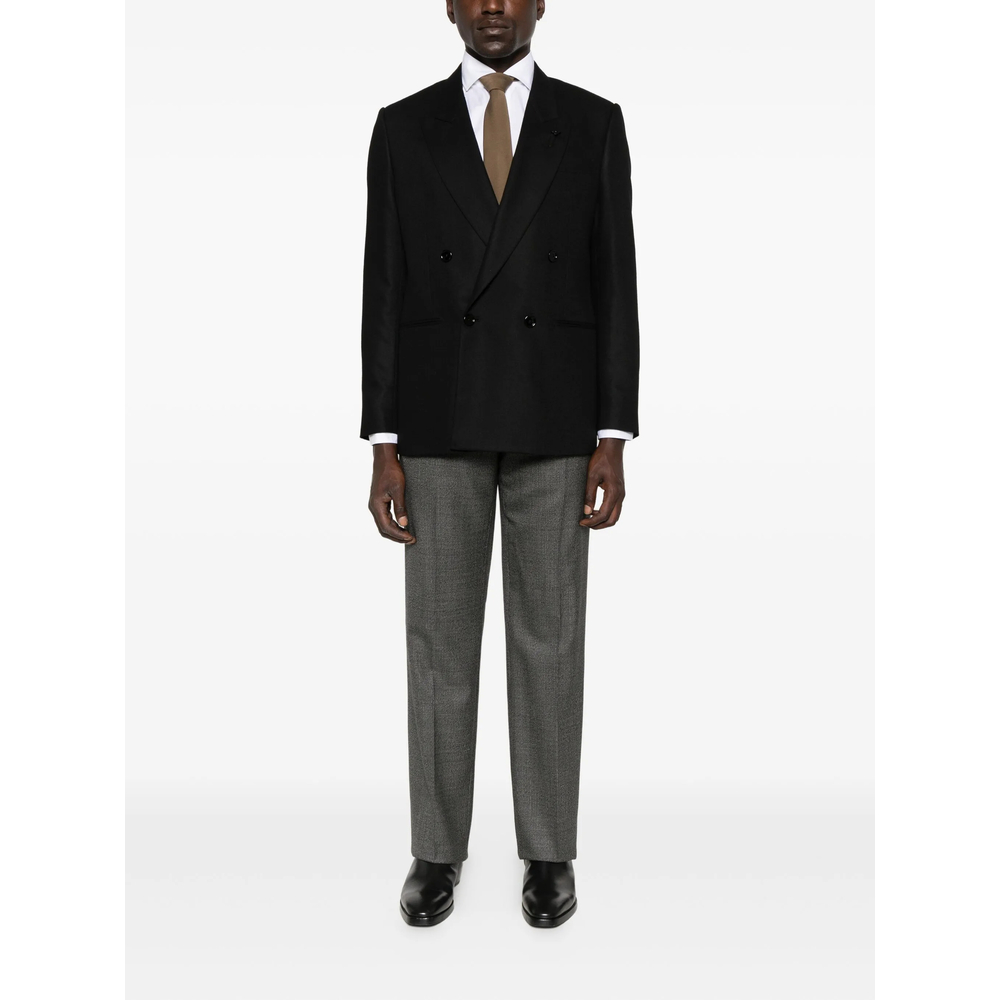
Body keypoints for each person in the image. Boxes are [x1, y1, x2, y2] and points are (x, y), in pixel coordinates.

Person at [360, 0, 640, 928]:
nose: (492, 7)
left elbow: (616, 281)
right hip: (437, 420)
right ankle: (436, 850)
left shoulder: (592, 123)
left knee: (550, 642)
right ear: (448, 5)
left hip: (556, 419)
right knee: (439, 645)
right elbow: (384, 287)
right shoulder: (402, 128)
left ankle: (549, 852)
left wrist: (613, 432)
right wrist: (383, 443)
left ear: (540, 4)